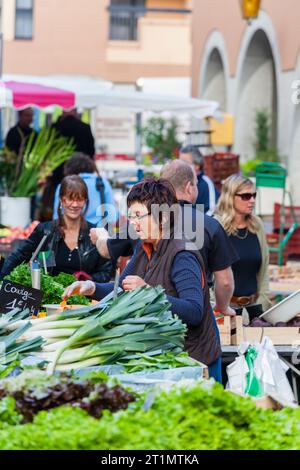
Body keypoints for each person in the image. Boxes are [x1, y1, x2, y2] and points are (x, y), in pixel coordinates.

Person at [63, 178, 222, 382]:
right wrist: (91, 287)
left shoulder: (182, 254)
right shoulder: (144, 247)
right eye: (130, 216)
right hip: (168, 357)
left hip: (196, 363)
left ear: (163, 217)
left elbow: (194, 311)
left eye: (139, 216)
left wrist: (149, 292)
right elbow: (122, 289)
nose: (133, 224)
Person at [160, 159, 238, 316]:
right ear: (189, 188)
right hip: (195, 313)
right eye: (196, 184)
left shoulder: (143, 221)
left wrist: (101, 236)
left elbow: (108, 249)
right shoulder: (210, 225)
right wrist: (223, 307)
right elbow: (225, 282)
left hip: (152, 315)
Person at [0, 176, 112, 283]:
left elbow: (106, 272)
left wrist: (86, 281)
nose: (75, 204)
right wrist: (2, 279)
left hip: (84, 300)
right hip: (48, 299)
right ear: (62, 200)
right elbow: (19, 256)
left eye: (80, 199)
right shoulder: (45, 231)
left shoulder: (95, 233)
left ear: (85, 201)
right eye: (70, 199)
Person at [214, 174, 272, 313]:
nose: (252, 200)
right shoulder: (216, 226)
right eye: (246, 196)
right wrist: (218, 309)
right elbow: (208, 275)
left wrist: (262, 304)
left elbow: (264, 269)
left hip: (255, 308)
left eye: (254, 195)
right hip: (224, 311)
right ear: (230, 197)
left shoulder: (257, 225)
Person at [53, 153, 118, 226]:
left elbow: (57, 216)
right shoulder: (103, 183)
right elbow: (113, 216)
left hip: (71, 231)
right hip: (98, 232)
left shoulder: (64, 186)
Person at [51, 109, 95, 188]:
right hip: (82, 171)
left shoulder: (54, 128)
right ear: (75, 111)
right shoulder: (85, 127)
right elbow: (91, 152)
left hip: (58, 173)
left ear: (63, 111)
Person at [179, 144, 219, 215]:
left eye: (185, 162)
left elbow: (212, 211)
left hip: (200, 225)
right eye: (179, 162)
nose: (180, 166)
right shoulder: (178, 182)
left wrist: (196, 224)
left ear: (197, 165)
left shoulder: (206, 184)